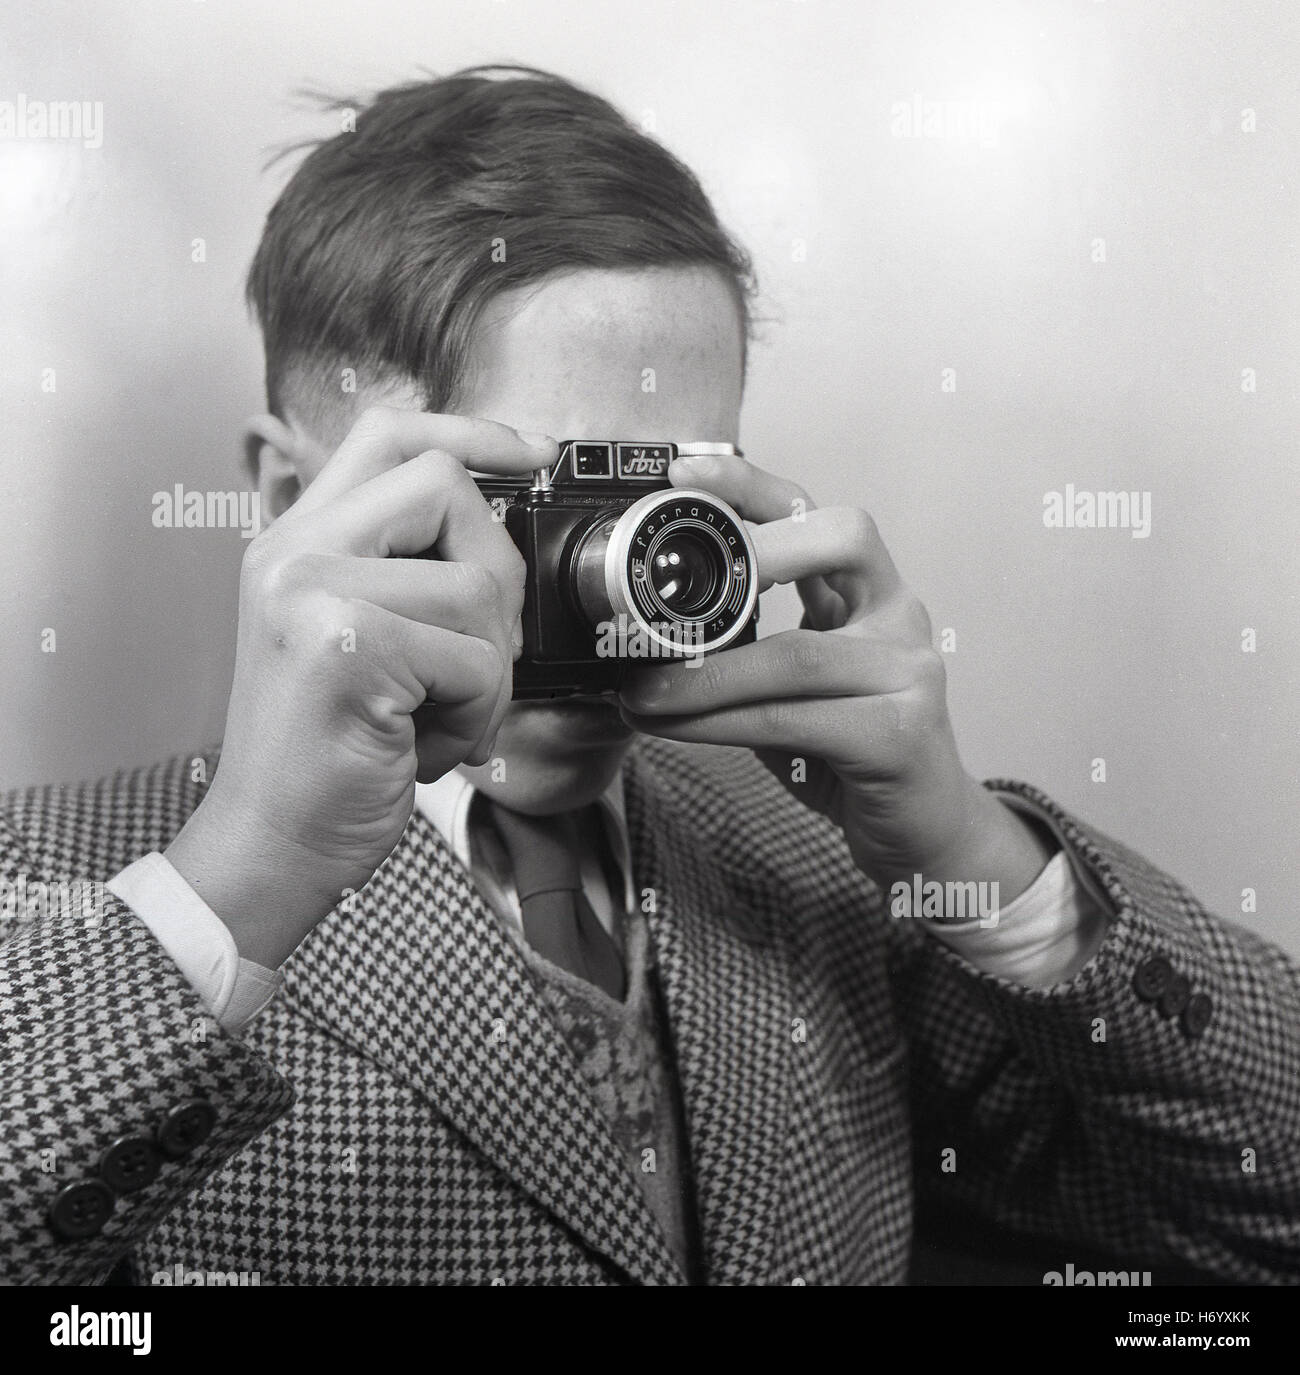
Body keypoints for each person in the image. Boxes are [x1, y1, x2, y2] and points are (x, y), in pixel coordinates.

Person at [2, 66, 1296, 1286]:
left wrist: (975, 850)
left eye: (665, 508)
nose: (623, 580)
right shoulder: (50, 894)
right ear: (294, 496)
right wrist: (240, 883)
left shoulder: (807, 874)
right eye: (542, 502)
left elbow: (1264, 1214)